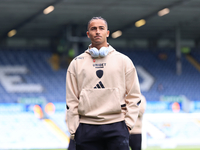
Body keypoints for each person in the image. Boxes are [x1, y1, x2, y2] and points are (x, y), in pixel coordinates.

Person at [66, 16, 141, 150]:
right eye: (93, 29)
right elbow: (71, 99)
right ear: (88, 34)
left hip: (117, 126)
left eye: (101, 28)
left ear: (107, 33)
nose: (97, 32)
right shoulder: (77, 63)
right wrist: (74, 130)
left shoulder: (123, 61)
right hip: (86, 128)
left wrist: (128, 124)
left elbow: (134, 95)